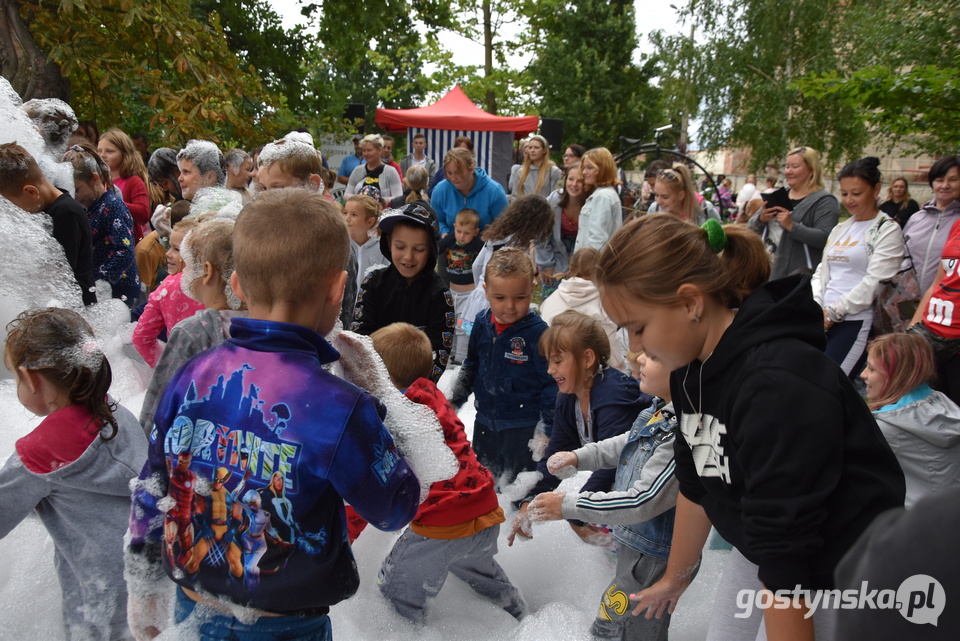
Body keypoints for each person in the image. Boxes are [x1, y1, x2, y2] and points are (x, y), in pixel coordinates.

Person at [125, 188, 420, 640]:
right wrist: (383, 397)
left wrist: (143, 588)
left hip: (192, 605)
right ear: (338, 288)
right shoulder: (340, 406)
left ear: (237, 284)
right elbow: (395, 507)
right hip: (285, 623)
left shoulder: (192, 374)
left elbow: (154, 481)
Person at [597, 215, 905, 639]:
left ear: (690, 302)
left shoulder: (776, 382)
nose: (633, 346)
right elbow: (698, 482)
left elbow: (786, 549)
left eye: (639, 327)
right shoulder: (692, 373)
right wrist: (676, 576)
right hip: (767, 538)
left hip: (843, 558)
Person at [3, 308, 147, 641]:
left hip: (98, 595)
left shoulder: (40, 453)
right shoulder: (114, 411)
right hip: (150, 572)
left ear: (32, 379)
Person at [371, 322, 527, 624]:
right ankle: (524, 619)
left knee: (394, 592)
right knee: (480, 573)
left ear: (382, 378)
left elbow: (373, 479)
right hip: (484, 510)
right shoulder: (433, 399)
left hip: (443, 525)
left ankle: (401, 631)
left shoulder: (394, 417)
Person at [522, 349, 683, 641]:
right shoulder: (658, 409)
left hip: (652, 554)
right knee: (621, 621)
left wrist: (569, 506)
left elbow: (642, 501)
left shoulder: (680, 433)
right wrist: (578, 457)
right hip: (637, 543)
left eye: (655, 356)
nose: (641, 360)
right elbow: (625, 443)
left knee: (621, 628)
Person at [509, 310, 646, 546]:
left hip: (646, 494)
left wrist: (574, 512)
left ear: (587, 359)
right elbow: (556, 459)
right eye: (549, 361)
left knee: (627, 561)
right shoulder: (568, 399)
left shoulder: (613, 395)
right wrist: (528, 502)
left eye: (558, 361)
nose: (550, 370)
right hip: (619, 496)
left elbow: (615, 462)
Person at [449, 248, 558, 484]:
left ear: (532, 288)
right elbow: (472, 364)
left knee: (519, 489)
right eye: (500, 298)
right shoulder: (481, 322)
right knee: (486, 483)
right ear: (486, 292)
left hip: (523, 428)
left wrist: (545, 427)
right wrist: (455, 399)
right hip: (485, 422)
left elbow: (551, 384)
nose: (510, 306)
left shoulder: (538, 333)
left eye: (520, 297)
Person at [137, 217, 247, 437]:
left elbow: (160, 401)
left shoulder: (191, 331)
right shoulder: (260, 323)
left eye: (187, 264)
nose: (183, 273)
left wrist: (144, 442)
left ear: (206, 272)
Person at [810, 157, 905, 376]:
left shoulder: (887, 230)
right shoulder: (841, 229)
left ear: (876, 189)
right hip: (821, 318)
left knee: (830, 385)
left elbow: (875, 282)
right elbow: (822, 271)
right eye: (844, 194)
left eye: (856, 193)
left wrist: (833, 312)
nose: (849, 200)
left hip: (854, 321)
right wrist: (817, 306)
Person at [256, 132, 358, 327]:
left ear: (312, 184)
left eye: (278, 188)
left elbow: (342, 318)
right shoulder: (262, 237)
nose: (267, 199)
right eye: (263, 189)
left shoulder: (332, 243)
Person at [351, 201, 454, 382]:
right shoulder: (372, 283)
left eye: (419, 249)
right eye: (400, 247)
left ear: (431, 249)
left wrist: (414, 392)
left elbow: (440, 352)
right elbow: (360, 339)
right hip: (374, 385)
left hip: (417, 394)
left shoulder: (440, 294)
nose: (408, 256)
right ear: (389, 242)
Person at [861, 332, 960, 507]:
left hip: (922, 520)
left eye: (872, 369)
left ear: (896, 375)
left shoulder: (887, 427)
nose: (863, 374)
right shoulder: (941, 401)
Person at [0, 142, 96, 305]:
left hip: (74, 311)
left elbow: (59, 277)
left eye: (10, 205)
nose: (12, 212)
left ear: (31, 192)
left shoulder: (66, 214)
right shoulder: (48, 206)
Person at [456, 194, 555, 338]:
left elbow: (477, 265)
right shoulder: (518, 246)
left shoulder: (496, 236)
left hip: (480, 298)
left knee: (473, 340)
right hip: (500, 302)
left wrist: (483, 289)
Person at [64, 143, 141, 306]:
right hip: (102, 286)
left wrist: (100, 277)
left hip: (119, 288)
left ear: (95, 179)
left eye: (77, 190)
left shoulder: (112, 206)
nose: (75, 197)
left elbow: (125, 251)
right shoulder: (89, 207)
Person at [749, 146, 840, 279]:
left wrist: (792, 226)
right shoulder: (779, 195)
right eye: (787, 167)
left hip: (798, 280)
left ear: (811, 170)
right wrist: (761, 219)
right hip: (766, 275)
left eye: (795, 167)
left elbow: (825, 238)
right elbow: (750, 227)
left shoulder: (825, 201)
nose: (788, 172)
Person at [131, 218, 205, 367]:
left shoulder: (168, 286)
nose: (167, 254)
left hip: (180, 373)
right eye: (169, 247)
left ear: (196, 254)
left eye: (177, 249)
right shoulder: (219, 283)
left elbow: (141, 338)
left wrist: (164, 368)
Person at [540, 248, 626, 372]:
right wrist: (619, 369)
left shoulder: (553, 298)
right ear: (601, 272)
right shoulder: (603, 303)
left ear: (570, 270)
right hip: (589, 371)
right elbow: (610, 343)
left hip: (553, 366)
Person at [902, 155, 960, 292]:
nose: (945, 185)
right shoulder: (916, 219)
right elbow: (901, 258)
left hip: (947, 305)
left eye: (953, 180)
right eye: (939, 180)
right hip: (909, 304)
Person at [438, 208, 484, 364]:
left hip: (469, 294)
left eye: (467, 233)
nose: (462, 236)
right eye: (459, 231)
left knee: (464, 327)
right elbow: (433, 249)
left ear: (476, 232)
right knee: (450, 323)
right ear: (454, 227)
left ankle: (461, 358)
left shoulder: (479, 246)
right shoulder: (449, 241)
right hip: (452, 292)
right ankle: (450, 355)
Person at [433, 147, 508, 237]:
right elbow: (437, 221)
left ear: (471, 168)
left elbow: (504, 226)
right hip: (450, 247)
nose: (453, 178)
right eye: (449, 173)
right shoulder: (440, 191)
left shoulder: (495, 192)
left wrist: (484, 241)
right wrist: (445, 234)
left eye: (458, 172)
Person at [97, 128, 151, 242]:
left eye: (109, 151)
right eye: (99, 151)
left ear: (124, 153)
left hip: (127, 242)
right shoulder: (98, 181)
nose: (102, 155)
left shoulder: (133, 181)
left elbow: (143, 213)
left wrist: (113, 203)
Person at [537, 163, 585, 279]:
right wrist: (547, 265)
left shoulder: (592, 203)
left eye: (579, 181)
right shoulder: (553, 200)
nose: (574, 184)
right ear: (565, 180)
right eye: (571, 179)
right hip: (555, 254)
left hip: (580, 257)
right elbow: (541, 236)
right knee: (551, 294)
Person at [137, 199, 190, 296]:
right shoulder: (146, 251)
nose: (167, 253)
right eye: (171, 247)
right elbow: (143, 294)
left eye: (176, 249)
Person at [575, 148, 623, 252]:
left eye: (589, 168)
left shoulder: (602, 197)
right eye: (584, 168)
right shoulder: (604, 194)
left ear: (603, 168)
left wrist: (586, 265)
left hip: (591, 263)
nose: (584, 172)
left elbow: (597, 239)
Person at [651, 163, 721, 225]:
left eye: (665, 197)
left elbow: (721, 237)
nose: (658, 201)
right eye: (656, 195)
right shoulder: (654, 209)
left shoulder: (705, 210)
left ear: (681, 195)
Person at [344, 194, 388, 290]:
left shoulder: (382, 249)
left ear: (370, 221)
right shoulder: (339, 247)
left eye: (354, 214)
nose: (347, 219)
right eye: (345, 212)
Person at [344, 133, 402, 203]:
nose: (366, 154)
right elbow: (346, 195)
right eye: (364, 151)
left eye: (369, 150)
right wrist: (361, 198)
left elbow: (399, 197)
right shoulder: (357, 170)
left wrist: (381, 200)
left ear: (379, 150)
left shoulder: (390, 171)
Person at [509, 134, 561, 200]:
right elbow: (515, 197)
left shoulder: (553, 171)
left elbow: (556, 198)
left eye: (536, 148)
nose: (532, 150)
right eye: (530, 148)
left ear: (544, 150)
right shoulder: (521, 172)